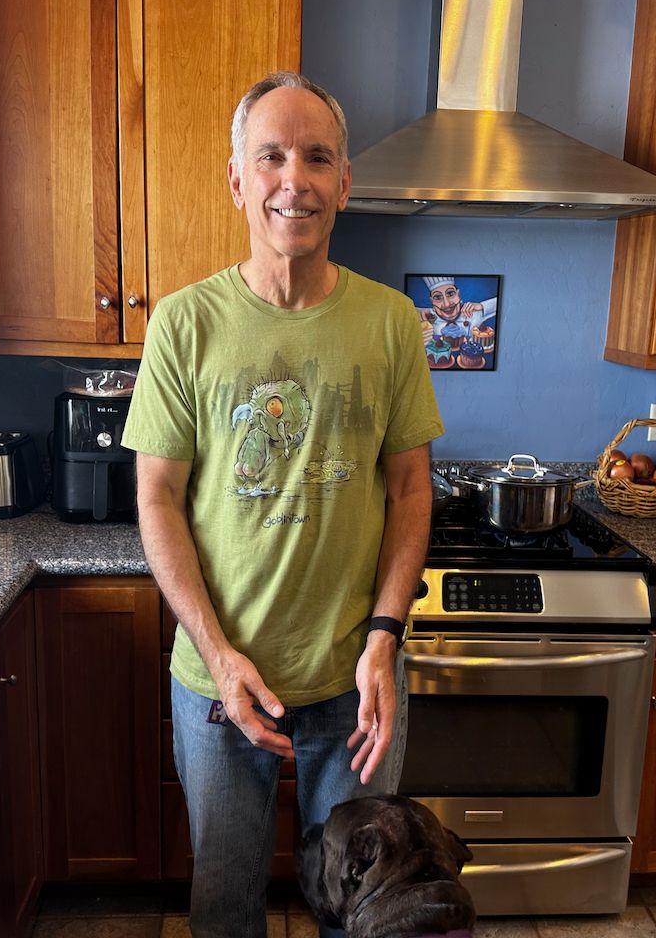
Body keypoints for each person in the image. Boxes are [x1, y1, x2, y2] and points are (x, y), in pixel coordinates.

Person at [121, 71, 443, 938]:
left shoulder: (391, 323)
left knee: (364, 910)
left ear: (345, 182)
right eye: (271, 156)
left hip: (354, 681)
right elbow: (157, 496)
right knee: (226, 906)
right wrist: (218, 654)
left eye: (317, 157)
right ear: (238, 180)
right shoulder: (184, 323)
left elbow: (411, 488)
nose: (293, 179)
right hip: (220, 681)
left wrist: (385, 638)